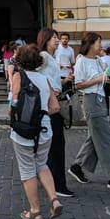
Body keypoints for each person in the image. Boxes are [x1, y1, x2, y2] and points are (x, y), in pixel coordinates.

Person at [68, 32, 110, 191]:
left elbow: (105, 77)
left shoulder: (98, 60)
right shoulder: (81, 61)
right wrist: (98, 79)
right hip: (91, 101)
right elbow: (78, 85)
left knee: (95, 137)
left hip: (102, 99)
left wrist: (106, 76)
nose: (101, 46)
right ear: (90, 44)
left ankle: (77, 166)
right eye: (98, 42)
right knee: (106, 139)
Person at [10, 44, 63, 219]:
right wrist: (41, 113)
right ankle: (54, 199)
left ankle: (35, 211)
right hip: (45, 130)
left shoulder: (18, 76)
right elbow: (55, 107)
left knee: (27, 170)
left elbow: (14, 102)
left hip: (23, 131)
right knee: (42, 164)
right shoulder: (44, 79)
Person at [38, 28, 74, 198]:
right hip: (51, 106)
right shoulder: (44, 57)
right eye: (53, 37)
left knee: (53, 144)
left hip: (52, 103)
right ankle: (58, 184)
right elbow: (34, 75)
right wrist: (50, 90)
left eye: (57, 37)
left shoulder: (51, 57)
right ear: (45, 39)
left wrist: (62, 81)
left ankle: (51, 180)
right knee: (56, 145)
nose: (57, 40)